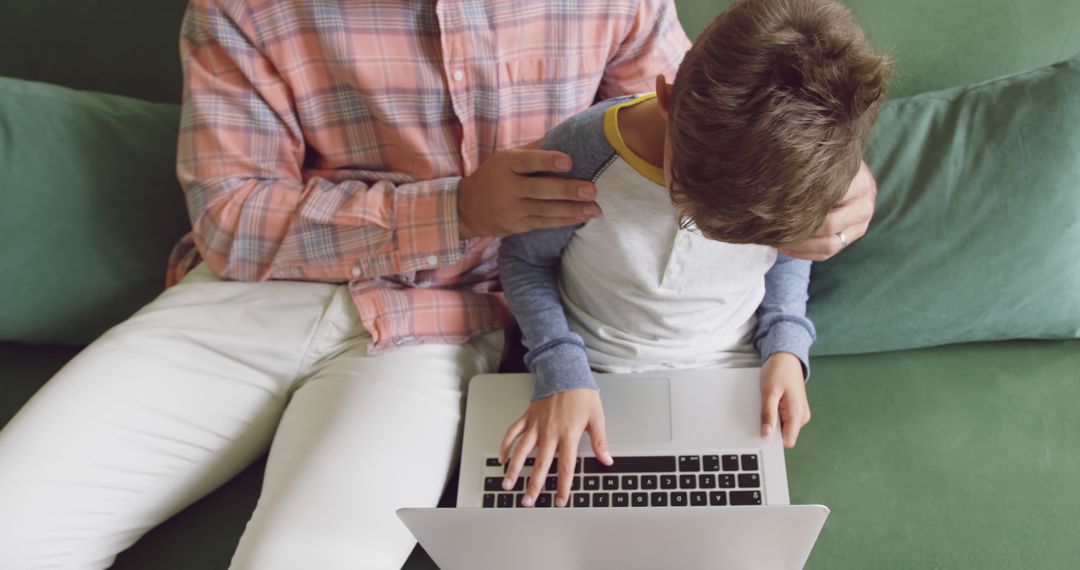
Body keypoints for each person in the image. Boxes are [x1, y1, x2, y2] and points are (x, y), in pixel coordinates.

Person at [0, 0, 879, 568]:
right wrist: (456, 208)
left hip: (435, 329)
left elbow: (707, 129)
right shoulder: (246, 11)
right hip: (245, 299)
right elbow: (229, 215)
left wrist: (842, 183)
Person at [497, 0, 891, 510]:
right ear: (665, 97)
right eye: (685, 199)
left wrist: (787, 345)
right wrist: (560, 370)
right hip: (591, 367)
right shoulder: (581, 156)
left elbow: (792, 254)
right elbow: (525, 260)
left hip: (729, 374)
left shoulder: (799, 172)